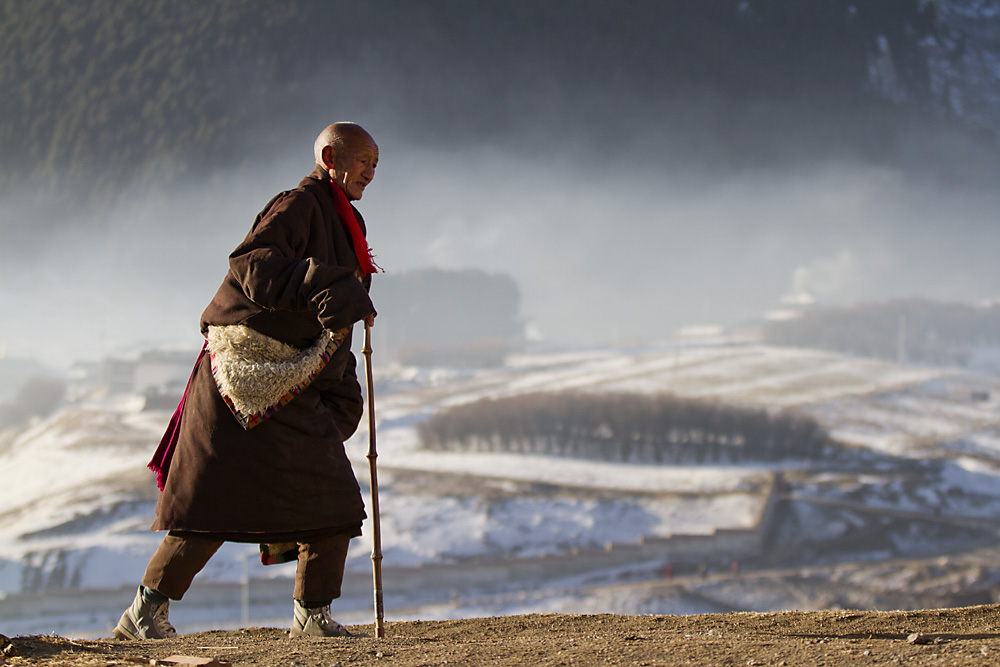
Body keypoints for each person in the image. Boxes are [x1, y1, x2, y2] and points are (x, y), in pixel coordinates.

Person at [114, 122, 381, 640]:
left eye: (376, 163)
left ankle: (312, 614)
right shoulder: (299, 204)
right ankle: (144, 613)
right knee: (212, 503)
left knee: (331, 500)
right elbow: (250, 266)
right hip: (243, 379)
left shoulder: (347, 218)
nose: (371, 171)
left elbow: (332, 314)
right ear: (330, 156)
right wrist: (324, 283)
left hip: (294, 382)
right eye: (364, 159)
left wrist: (340, 385)